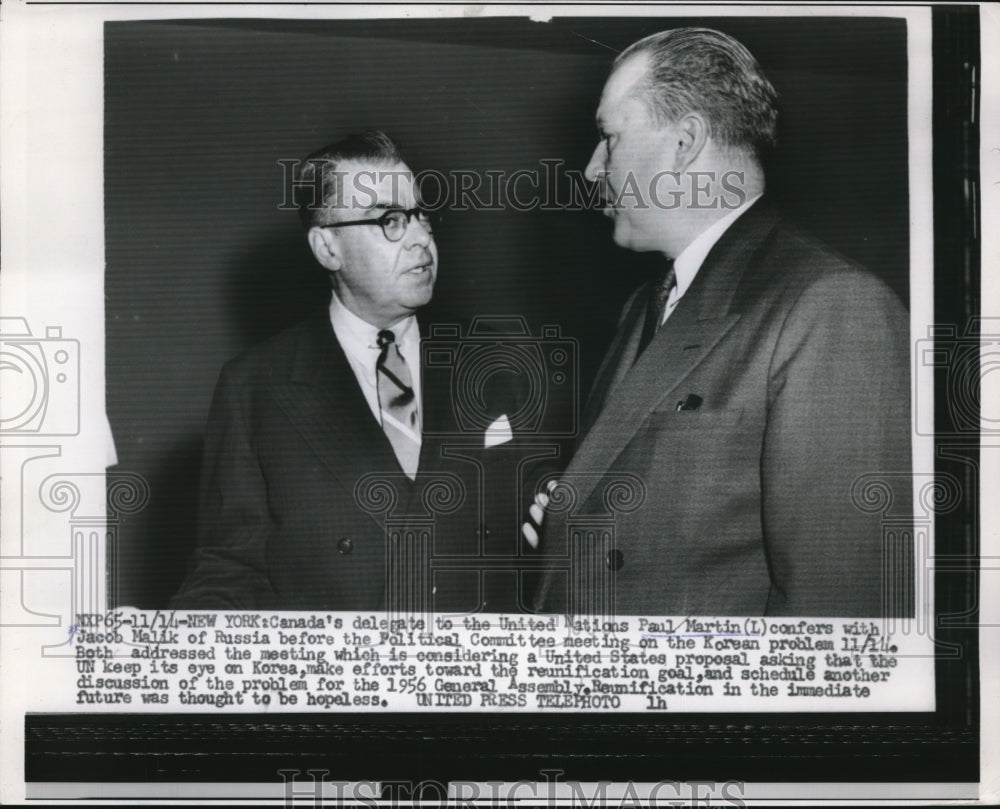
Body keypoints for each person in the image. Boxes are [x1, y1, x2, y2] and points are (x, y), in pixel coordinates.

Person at [528, 28, 912, 618]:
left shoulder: (834, 307)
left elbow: (840, 618)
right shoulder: (650, 303)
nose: (590, 167)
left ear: (684, 142)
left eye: (609, 138)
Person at [172, 131, 525, 612]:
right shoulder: (255, 387)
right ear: (327, 248)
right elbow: (230, 569)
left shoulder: (499, 364)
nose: (422, 237)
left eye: (421, 216)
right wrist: (167, 642)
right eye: (391, 221)